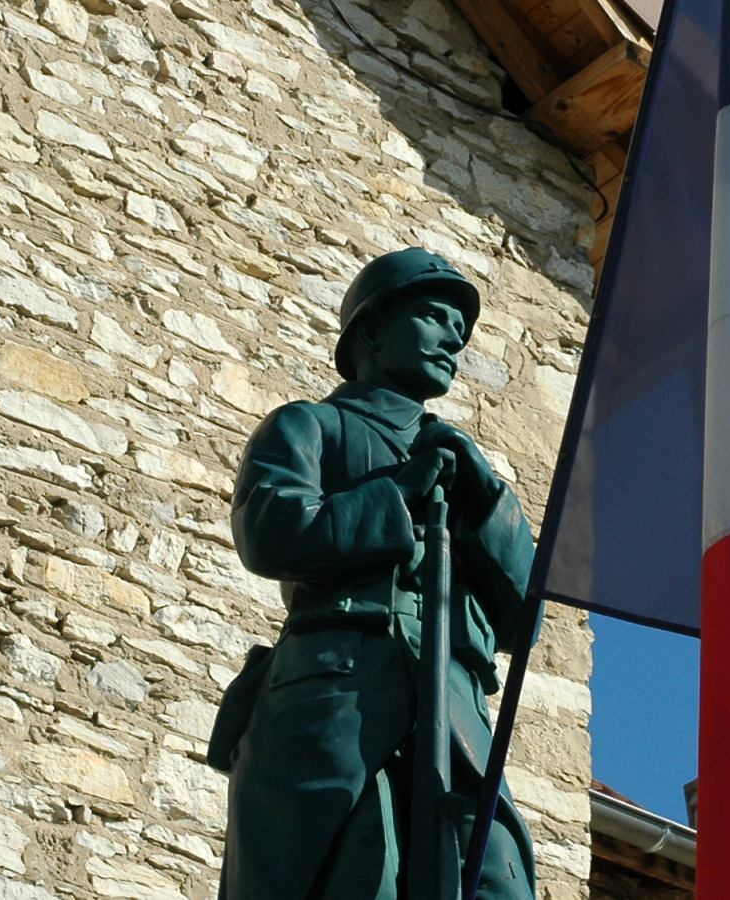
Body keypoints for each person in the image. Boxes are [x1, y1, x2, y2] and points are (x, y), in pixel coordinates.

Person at [210, 248, 538, 900]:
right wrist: (398, 495)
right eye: (434, 317)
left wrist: (488, 504)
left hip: (454, 713)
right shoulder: (310, 426)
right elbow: (269, 531)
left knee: (495, 875)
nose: (454, 338)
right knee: (356, 877)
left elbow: (523, 615)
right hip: (337, 695)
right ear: (370, 331)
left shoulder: (466, 466)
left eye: (461, 329)